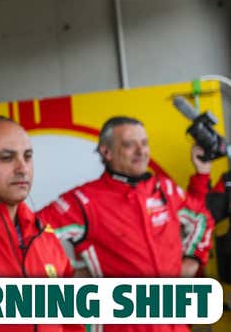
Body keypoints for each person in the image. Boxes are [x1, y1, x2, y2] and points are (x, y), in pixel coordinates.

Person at [38, 116, 214, 332]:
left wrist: (193, 259)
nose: (141, 151)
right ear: (106, 152)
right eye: (130, 144)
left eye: (144, 143)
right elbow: (27, 235)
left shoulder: (164, 188)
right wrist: (66, 278)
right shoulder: (83, 200)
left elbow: (202, 217)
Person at [0, 115, 79, 332]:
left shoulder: (44, 235)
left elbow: (69, 322)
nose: (22, 168)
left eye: (27, 157)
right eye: (6, 158)